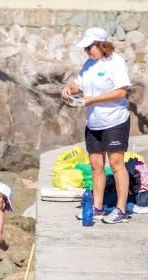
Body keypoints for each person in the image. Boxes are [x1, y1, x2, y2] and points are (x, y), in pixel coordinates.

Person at [61, 27, 133, 224]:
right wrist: (69, 88)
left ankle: (121, 210)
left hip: (115, 120)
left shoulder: (116, 62)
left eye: (89, 47)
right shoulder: (89, 63)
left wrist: (92, 100)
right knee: (96, 165)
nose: (87, 51)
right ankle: (97, 207)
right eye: (85, 48)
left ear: (102, 45)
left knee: (117, 164)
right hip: (94, 123)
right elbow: (80, 84)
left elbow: (121, 92)